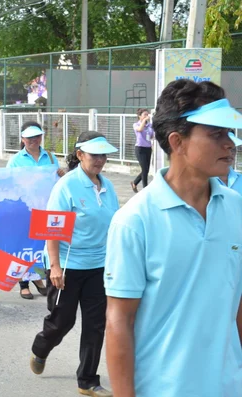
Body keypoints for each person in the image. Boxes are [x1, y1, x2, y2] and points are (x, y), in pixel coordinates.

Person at [105, 80, 242, 397]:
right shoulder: (134, 221)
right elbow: (119, 321)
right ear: (177, 142)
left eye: (229, 133)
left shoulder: (236, 208)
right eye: (216, 134)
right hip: (162, 388)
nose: (230, 144)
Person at [30, 131, 118, 397]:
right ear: (80, 155)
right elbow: (51, 228)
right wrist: (54, 267)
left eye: (103, 155)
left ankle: (87, 380)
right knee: (62, 321)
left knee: (96, 324)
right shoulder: (66, 186)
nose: (100, 160)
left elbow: (115, 224)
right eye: (94, 154)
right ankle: (41, 347)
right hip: (68, 266)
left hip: (99, 266)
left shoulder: (108, 186)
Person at [6, 122, 66, 299]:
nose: (34, 140)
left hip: (45, 206)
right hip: (24, 208)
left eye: (37, 136)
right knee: (23, 245)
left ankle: (38, 277)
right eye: (30, 137)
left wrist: (62, 174)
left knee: (40, 245)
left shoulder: (50, 156)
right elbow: (9, 182)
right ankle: (23, 284)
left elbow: (56, 177)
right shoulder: (16, 159)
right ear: (23, 139)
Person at [130, 108, 154, 192]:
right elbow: (140, 129)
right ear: (139, 116)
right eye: (144, 114)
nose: (147, 116)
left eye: (147, 114)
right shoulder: (136, 124)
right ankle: (145, 188)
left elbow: (151, 136)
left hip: (148, 148)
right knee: (144, 169)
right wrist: (144, 121)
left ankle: (135, 183)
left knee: (146, 169)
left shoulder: (150, 125)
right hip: (140, 149)